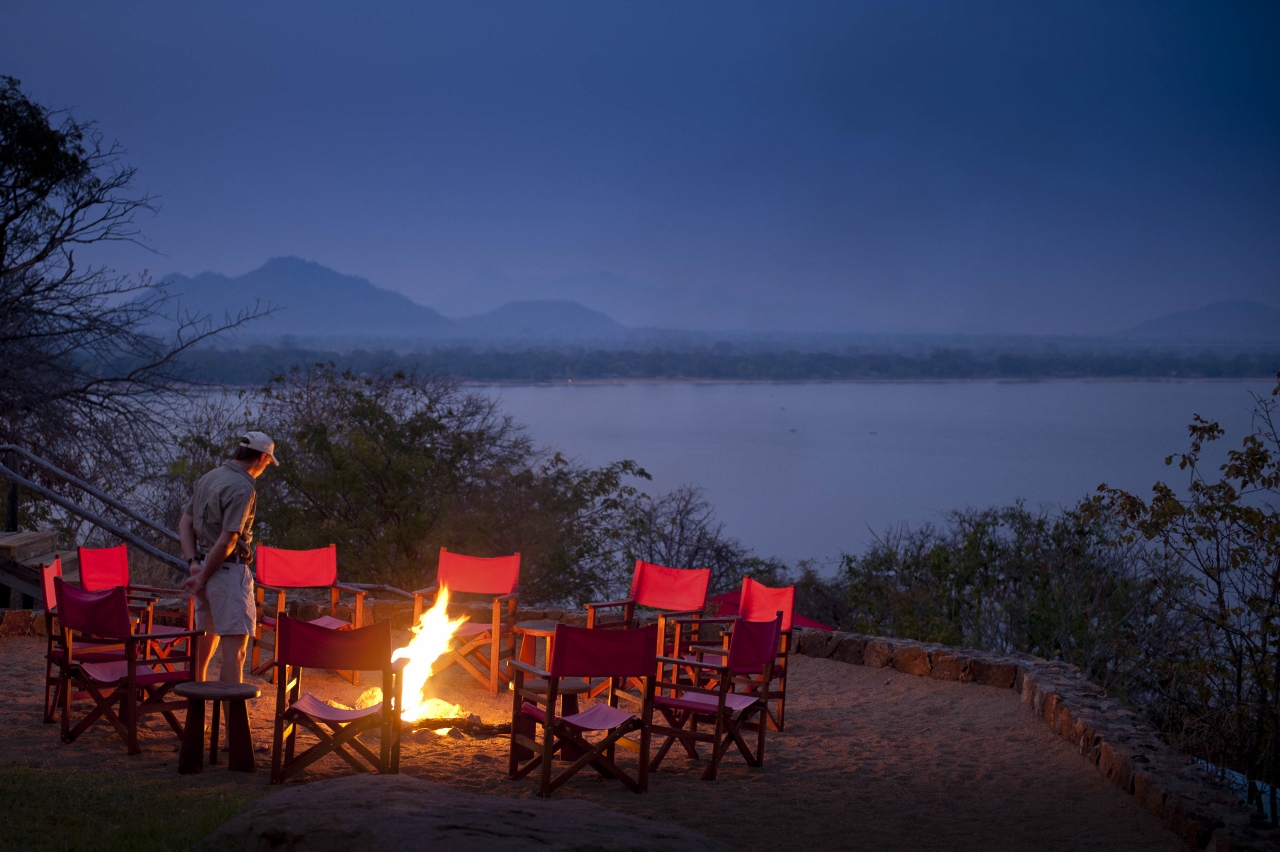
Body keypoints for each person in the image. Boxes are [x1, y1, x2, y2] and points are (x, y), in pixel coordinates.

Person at [179, 431, 279, 683]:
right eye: (268, 462)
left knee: (205, 642)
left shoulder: (210, 477)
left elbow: (185, 523)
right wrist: (201, 578)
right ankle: (233, 720)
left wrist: (194, 564)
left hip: (203, 566)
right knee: (235, 652)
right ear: (261, 458)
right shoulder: (242, 487)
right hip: (227, 574)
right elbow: (228, 539)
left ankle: (197, 712)